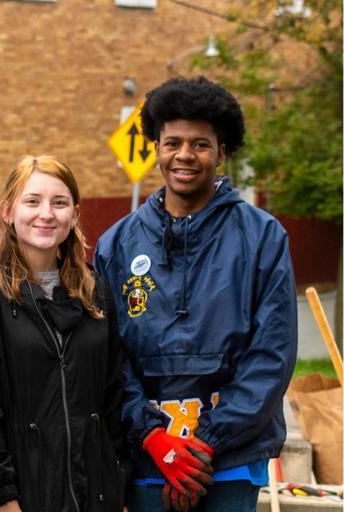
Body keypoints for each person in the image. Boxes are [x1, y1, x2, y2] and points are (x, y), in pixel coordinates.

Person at [95, 76, 296, 512]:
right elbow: (106, 355)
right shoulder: (116, 244)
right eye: (172, 143)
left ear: (222, 151)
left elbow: (272, 354)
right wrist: (154, 439)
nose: (184, 155)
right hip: (147, 458)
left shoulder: (263, 237)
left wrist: (204, 444)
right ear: (156, 147)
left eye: (200, 144)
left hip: (229, 460)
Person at [0, 155, 127, 512]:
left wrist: (118, 486)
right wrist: (3, 498)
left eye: (59, 203)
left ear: (74, 215)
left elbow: (114, 399)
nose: (46, 213)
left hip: (94, 493)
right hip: (19, 498)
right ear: (7, 212)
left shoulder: (96, 292)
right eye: (32, 201)